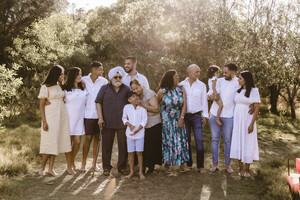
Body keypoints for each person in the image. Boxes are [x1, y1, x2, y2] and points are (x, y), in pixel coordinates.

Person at [37, 65, 75, 176]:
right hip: (50, 117)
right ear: (55, 75)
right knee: (50, 142)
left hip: (62, 116)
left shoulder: (60, 86)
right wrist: (44, 122)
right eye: (61, 74)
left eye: (63, 74)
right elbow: (41, 106)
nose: (62, 76)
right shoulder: (45, 87)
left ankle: (51, 169)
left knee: (57, 142)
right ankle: (42, 168)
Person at [96, 66, 131, 176]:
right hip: (107, 122)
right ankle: (106, 167)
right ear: (111, 78)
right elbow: (98, 102)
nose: (118, 79)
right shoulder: (104, 88)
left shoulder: (127, 89)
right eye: (115, 77)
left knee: (123, 146)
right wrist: (100, 118)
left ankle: (121, 167)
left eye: (120, 77)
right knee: (106, 146)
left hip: (122, 123)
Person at [209, 63, 240, 174]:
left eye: (226, 72)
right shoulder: (219, 81)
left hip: (229, 116)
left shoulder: (238, 82)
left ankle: (228, 165)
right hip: (214, 114)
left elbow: (244, 94)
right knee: (214, 140)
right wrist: (210, 95)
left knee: (228, 140)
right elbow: (210, 91)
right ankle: (214, 164)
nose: (224, 74)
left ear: (233, 73)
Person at [157, 69, 189, 173]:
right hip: (166, 119)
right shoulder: (162, 91)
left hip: (178, 117)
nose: (177, 78)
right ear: (170, 78)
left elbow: (184, 105)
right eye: (176, 76)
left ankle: (182, 164)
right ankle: (167, 164)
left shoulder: (181, 88)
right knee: (167, 141)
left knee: (180, 139)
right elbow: (156, 105)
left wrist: (182, 118)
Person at [230, 71, 260, 177]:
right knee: (239, 142)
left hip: (248, 119)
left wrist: (252, 124)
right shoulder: (237, 91)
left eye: (240, 78)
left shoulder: (254, 91)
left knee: (248, 142)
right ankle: (240, 169)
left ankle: (247, 170)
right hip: (238, 120)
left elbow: (256, 109)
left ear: (246, 80)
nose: (238, 80)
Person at [180, 64, 209, 174]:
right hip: (185, 116)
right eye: (196, 71)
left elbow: (204, 102)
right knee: (186, 140)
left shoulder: (202, 85)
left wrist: (205, 116)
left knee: (199, 140)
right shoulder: (182, 84)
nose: (198, 73)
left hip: (197, 116)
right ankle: (189, 164)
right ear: (189, 73)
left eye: (199, 71)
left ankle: (200, 166)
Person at [130, 79, 162, 173]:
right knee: (142, 145)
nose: (136, 90)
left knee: (151, 145)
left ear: (141, 85)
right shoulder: (135, 95)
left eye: (137, 88)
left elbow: (156, 109)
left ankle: (150, 166)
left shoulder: (149, 93)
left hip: (153, 123)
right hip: (141, 124)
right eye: (133, 89)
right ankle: (142, 166)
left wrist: (142, 104)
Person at [81, 61, 108, 171]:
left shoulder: (104, 81)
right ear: (94, 70)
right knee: (88, 138)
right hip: (86, 114)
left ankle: (94, 163)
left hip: (99, 114)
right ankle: (83, 164)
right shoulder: (83, 80)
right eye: (100, 69)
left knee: (97, 138)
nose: (102, 71)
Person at [63, 67, 87, 171]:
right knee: (68, 143)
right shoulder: (65, 88)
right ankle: (69, 166)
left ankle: (72, 161)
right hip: (68, 118)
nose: (80, 76)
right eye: (78, 74)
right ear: (73, 75)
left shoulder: (83, 87)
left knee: (77, 142)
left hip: (79, 119)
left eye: (81, 74)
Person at [122, 91, 148, 180]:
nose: (135, 98)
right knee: (131, 153)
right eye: (133, 97)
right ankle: (131, 171)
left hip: (140, 134)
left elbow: (144, 120)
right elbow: (124, 118)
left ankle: (140, 171)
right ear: (129, 100)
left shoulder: (142, 108)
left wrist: (137, 130)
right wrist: (129, 125)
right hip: (129, 134)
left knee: (139, 153)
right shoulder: (126, 107)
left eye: (136, 96)